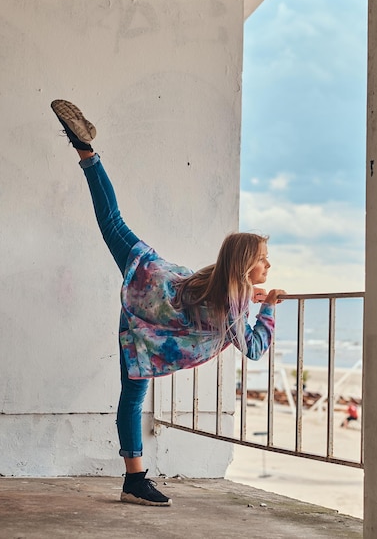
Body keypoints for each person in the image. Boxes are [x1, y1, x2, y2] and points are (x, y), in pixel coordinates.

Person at [51, 99, 286, 507]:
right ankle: (134, 482)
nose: (269, 263)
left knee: (113, 222)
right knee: (133, 397)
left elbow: (224, 301)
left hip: (149, 277)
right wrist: (268, 308)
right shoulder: (231, 299)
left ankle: (86, 151)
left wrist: (252, 296)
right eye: (263, 259)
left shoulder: (216, 282)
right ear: (247, 266)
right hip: (146, 330)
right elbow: (252, 348)